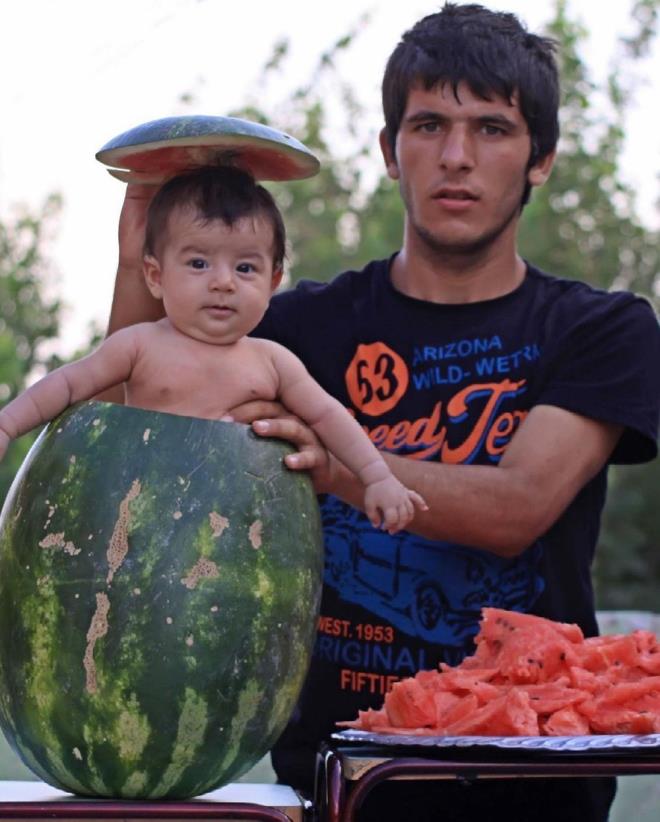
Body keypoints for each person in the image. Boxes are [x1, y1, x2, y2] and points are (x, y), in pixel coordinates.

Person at [107, 5, 660, 821]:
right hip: (338, 781)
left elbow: (518, 508)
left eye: (493, 129)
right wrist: (136, 259)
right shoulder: (298, 329)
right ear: (390, 152)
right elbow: (139, 431)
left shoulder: (601, 328)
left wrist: (336, 465)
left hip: (535, 787)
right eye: (429, 125)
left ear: (540, 159)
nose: (457, 157)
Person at [0, 166, 426, 534]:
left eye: (245, 267)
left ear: (273, 281)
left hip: (235, 530)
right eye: (199, 263)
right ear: (155, 276)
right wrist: (7, 425)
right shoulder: (139, 345)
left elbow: (329, 417)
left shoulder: (273, 361)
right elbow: (67, 384)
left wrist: (377, 477)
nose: (223, 282)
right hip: (137, 520)